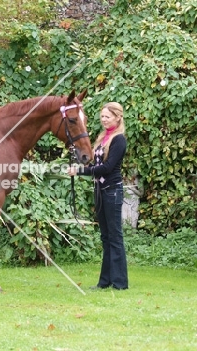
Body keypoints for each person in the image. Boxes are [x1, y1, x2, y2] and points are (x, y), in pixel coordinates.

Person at [68, 102, 128, 290]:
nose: (103, 120)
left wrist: (80, 171)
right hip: (101, 191)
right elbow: (96, 163)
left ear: (117, 117)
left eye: (107, 117)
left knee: (115, 237)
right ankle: (105, 281)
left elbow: (108, 168)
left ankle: (120, 283)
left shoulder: (119, 140)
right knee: (105, 237)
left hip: (112, 191)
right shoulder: (103, 138)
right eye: (102, 116)